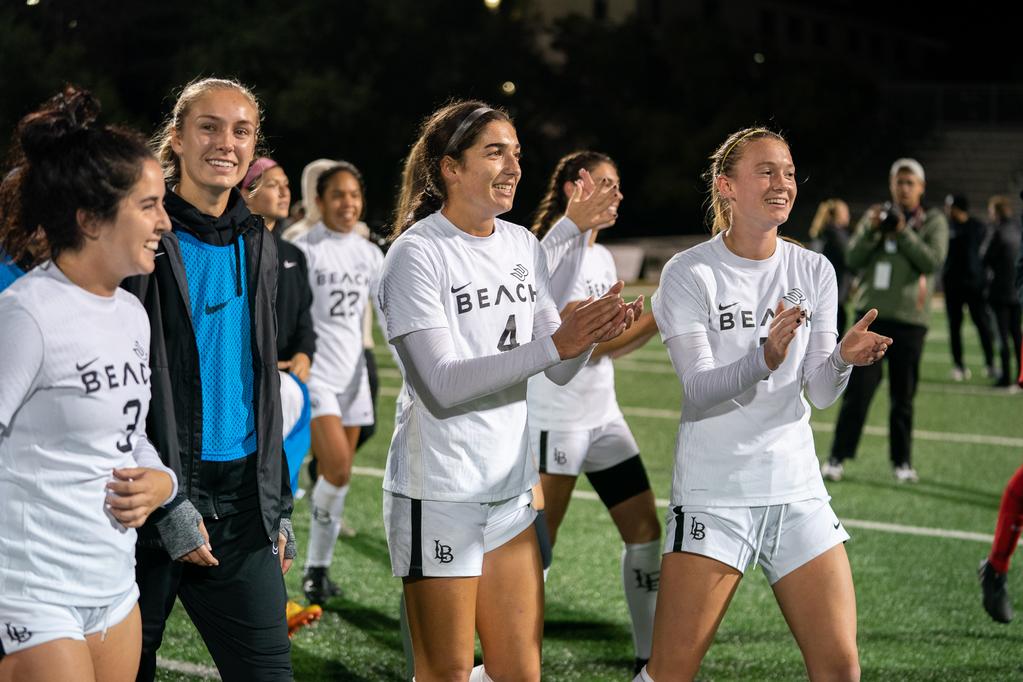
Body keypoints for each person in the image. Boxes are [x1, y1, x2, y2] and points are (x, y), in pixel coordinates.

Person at [379, 100, 639, 681]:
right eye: (495, 152)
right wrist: (557, 344)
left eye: (517, 153)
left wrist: (589, 336)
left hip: (512, 493)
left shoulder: (522, 244)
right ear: (450, 167)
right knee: (444, 671)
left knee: (520, 672)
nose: (513, 166)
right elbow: (442, 385)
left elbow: (558, 366)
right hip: (440, 493)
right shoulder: (416, 254)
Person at [639, 127, 891, 682]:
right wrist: (764, 357)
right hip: (716, 494)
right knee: (670, 673)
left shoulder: (813, 270)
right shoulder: (690, 272)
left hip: (796, 488)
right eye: (767, 171)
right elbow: (699, 387)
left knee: (840, 669)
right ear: (726, 186)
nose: (783, 184)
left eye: (790, 173)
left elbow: (821, 394)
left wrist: (843, 359)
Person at [0, 86, 177, 682]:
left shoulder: (130, 312)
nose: (164, 221)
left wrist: (163, 480)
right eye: (149, 205)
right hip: (31, 591)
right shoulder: (28, 314)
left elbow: (130, 436)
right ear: (91, 218)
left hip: (113, 585)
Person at [122, 77, 295, 681]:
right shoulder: (141, 235)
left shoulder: (259, 240)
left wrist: (279, 501)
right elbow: (121, 385)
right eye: (209, 127)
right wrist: (167, 499)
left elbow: (264, 384)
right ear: (176, 138)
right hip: (150, 504)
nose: (226, 142)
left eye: (241, 130)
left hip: (244, 502)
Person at [528, 150, 661, 674]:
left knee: (646, 533)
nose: (616, 194)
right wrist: (658, 313)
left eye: (618, 183)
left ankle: (648, 658)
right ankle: (512, 658)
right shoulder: (547, 252)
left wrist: (642, 322)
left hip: (604, 416)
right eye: (604, 183)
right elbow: (573, 343)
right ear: (572, 189)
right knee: (539, 550)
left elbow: (610, 344)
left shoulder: (604, 259)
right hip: (556, 418)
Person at [822, 158, 948, 484]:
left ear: (921, 188)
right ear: (892, 184)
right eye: (899, 182)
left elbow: (932, 261)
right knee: (857, 394)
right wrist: (874, 230)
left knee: (902, 397)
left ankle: (901, 461)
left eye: (910, 183)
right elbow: (852, 257)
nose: (903, 188)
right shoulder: (875, 216)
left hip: (909, 321)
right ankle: (837, 455)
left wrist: (903, 232)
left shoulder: (931, 220)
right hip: (870, 320)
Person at [292, 160, 384, 604]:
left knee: (339, 480)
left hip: (353, 377)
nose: (347, 203)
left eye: (354, 195)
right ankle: (308, 566)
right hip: (317, 377)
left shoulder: (370, 253)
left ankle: (317, 570)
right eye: (337, 195)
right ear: (319, 201)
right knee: (338, 468)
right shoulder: (303, 247)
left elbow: (388, 314)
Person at [241, 157, 322, 635]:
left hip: (289, 389)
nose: (282, 191)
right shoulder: (235, 249)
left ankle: (274, 596)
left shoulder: (293, 254)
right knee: (263, 494)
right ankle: (269, 599)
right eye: (270, 185)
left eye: (286, 184)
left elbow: (305, 321)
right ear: (246, 193)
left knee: (279, 496)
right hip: (255, 389)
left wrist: (305, 354)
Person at [942, 193, 995, 381]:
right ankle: (959, 366)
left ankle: (990, 363)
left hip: (974, 286)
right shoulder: (947, 228)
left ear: (957, 208)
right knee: (954, 327)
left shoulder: (978, 227)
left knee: (983, 325)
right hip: (953, 286)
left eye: (949, 206)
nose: (946, 210)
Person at [982, 195, 1021, 388]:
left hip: (999, 292)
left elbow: (984, 257)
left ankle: (1005, 377)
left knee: (1002, 336)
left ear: (995, 212)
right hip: (1017, 291)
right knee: (1017, 336)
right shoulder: (1017, 230)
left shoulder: (997, 232)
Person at [808, 198, 852, 335]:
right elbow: (851, 259)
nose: (848, 215)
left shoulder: (820, 234)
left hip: (817, 293)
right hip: (833, 292)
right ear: (837, 215)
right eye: (845, 212)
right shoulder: (837, 235)